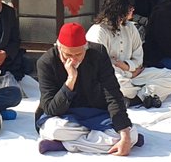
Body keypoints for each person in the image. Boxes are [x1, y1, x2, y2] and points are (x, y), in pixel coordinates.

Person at [35, 22, 139, 155]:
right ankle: (103, 140)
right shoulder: (46, 62)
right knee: (53, 130)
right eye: (68, 55)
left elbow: (112, 93)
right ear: (59, 48)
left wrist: (124, 134)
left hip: (94, 112)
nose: (73, 60)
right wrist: (71, 80)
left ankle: (65, 145)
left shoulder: (98, 53)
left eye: (78, 54)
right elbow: (51, 109)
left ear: (86, 48)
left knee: (130, 134)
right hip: (63, 116)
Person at [86, 0, 171, 107]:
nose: (133, 10)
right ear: (120, 10)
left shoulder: (130, 27)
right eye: (130, 8)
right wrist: (123, 69)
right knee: (118, 84)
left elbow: (138, 57)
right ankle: (145, 95)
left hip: (134, 73)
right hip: (114, 76)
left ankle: (137, 97)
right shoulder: (98, 31)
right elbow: (99, 65)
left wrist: (128, 67)